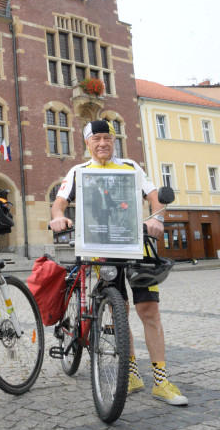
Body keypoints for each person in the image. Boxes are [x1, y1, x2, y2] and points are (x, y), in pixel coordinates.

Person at [50, 119, 187, 406]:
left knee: (149, 311)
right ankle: (132, 372)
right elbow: (59, 202)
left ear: (114, 140)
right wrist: (58, 217)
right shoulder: (79, 171)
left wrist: (156, 218)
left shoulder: (131, 167)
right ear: (86, 143)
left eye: (107, 138)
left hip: (137, 244)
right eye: (96, 138)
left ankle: (161, 380)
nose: (102, 143)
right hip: (102, 247)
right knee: (118, 310)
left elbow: (153, 197)